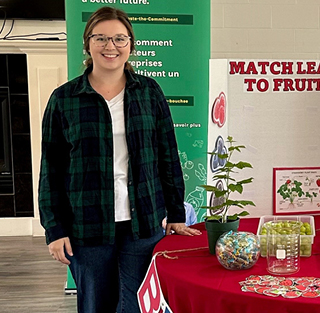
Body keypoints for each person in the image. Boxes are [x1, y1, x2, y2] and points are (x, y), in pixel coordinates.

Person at [38, 6, 201, 313]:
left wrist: (177, 213)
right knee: (95, 306)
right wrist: (54, 229)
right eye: (100, 38)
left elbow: (167, 156)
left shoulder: (149, 93)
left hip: (143, 225)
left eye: (119, 39)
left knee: (138, 306)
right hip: (87, 228)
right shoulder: (64, 99)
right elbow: (52, 169)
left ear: (130, 45)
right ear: (87, 44)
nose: (110, 46)